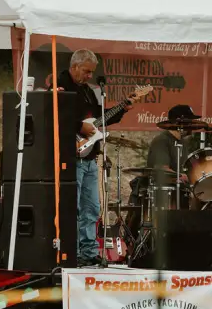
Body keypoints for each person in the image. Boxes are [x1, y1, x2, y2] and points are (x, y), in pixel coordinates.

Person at [55, 49, 136, 267]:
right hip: (71, 156)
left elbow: (99, 118)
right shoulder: (61, 85)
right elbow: (54, 114)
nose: (89, 76)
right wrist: (77, 126)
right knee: (73, 207)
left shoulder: (87, 91)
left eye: (92, 72)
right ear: (74, 67)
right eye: (86, 71)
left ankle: (89, 251)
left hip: (89, 157)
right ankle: (70, 251)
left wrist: (121, 109)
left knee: (92, 207)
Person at [128, 105, 201, 211]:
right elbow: (162, 169)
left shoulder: (183, 143)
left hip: (180, 190)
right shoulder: (162, 141)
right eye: (189, 122)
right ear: (178, 123)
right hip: (163, 193)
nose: (192, 125)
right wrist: (184, 177)